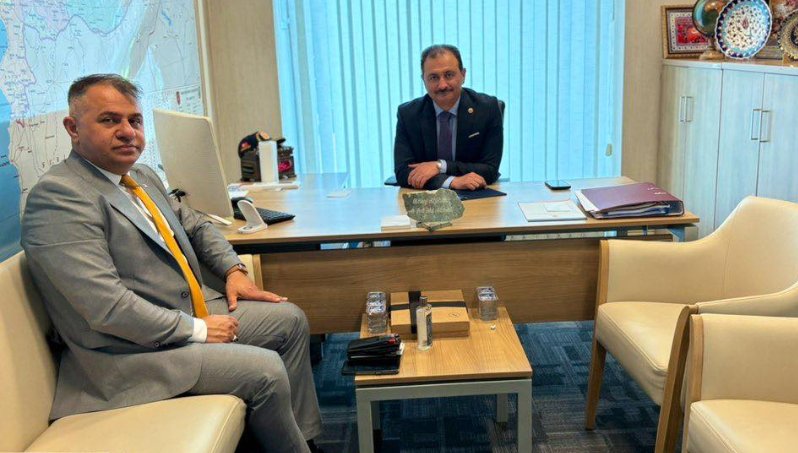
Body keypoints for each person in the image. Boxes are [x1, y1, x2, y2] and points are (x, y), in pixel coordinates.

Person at [21, 74, 323, 453]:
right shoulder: (59, 197)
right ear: (73, 128)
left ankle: (303, 439)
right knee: (264, 370)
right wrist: (198, 329)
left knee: (288, 320)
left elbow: (195, 225)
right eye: (109, 120)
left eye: (134, 120)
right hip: (125, 355)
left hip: (179, 315)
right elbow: (107, 308)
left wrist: (233, 271)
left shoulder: (139, 176)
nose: (127, 132)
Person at [393, 44, 504, 191]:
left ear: (463, 75)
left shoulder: (487, 109)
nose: (442, 85)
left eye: (449, 75)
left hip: (475, 195)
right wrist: (451, 182)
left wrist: (440, 166)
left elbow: (490, 169)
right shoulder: (408, 114)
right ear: (423, 80)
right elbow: (403, 172)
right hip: (428, 200)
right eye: (433, 77)